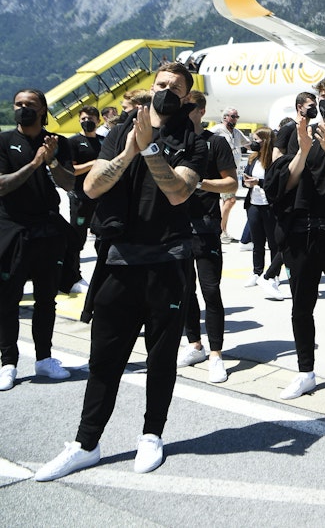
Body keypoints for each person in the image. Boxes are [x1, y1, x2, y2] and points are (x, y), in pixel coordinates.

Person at [35, 62, 207, 481]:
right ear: (152, 87)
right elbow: (92, 187)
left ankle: (152, 435)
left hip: (168, 262)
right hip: (118, 263)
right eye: (161, 84)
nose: (166, 91)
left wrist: (150, 149)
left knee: (161, 358)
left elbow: (179, 192)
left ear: (186, 98)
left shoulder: (195, 140)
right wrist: (132, 146)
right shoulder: (119, 131)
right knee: (105, 360)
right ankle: (86, 443)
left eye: (176, 88)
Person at [263, 76, 325, 403]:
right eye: (322, 95)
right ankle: (305, 372)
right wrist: (305, 149)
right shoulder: (298, 134)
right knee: (300, 306)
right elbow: (285, 183)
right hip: (302, 231)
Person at [0, 89, 76, 392]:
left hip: (48, 232)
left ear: (43, 109)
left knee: (47, 300)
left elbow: (69, 183)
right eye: (19, 105)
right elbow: (2, 186)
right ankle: (8, 362)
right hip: (12, 230)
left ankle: (44, 359)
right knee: (7, 300)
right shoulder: (4, 141)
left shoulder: (58, 143)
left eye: (29, 105)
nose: (22, 109)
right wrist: (35, 163)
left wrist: (53, 161)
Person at [176, 90, 238, 383]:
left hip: (205, 226)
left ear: (201, 110)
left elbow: (231, 182)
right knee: (184, 290)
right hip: (175, 227)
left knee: (210, 290)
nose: (184, 111)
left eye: (189, 106)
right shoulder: (172, 141)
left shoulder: (215, 142)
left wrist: (198, 182)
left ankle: (216, 353)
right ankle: (194, 343)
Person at [65, 106, 104, 292]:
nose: (86, 121)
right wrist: (93, 164)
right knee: (77, 237)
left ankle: (104, 276)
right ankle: (73, 276)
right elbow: (71, 170)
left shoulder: (104, 141)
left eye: (90, 118)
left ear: (99, 121)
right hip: (80, 196)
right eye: (83, 118)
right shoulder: (72, 142)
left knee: (104, 237)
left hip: (102, 197)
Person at [243, 127, 284, 300]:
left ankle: (273, 275)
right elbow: (246, 177)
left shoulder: (273, 160)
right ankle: (256, 272)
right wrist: (246, 182)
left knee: (273, 242)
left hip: (269, 205)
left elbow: (275, 181)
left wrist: (258, 182)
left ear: (266, 141)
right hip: (254, 203)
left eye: (257, 140)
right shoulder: (253, 159)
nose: (253, 143)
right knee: (257, 241)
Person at [212, 107, 249, 242]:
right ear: (225, 117)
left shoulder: (236, 133)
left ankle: (222, 229)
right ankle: (221, 230)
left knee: (228, 201)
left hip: (233, 170)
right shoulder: (216, 130)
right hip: (221, 171)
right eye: (233, 116)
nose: (235, 119)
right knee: (230, 201)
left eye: (236, 117)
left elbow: (249, 144)